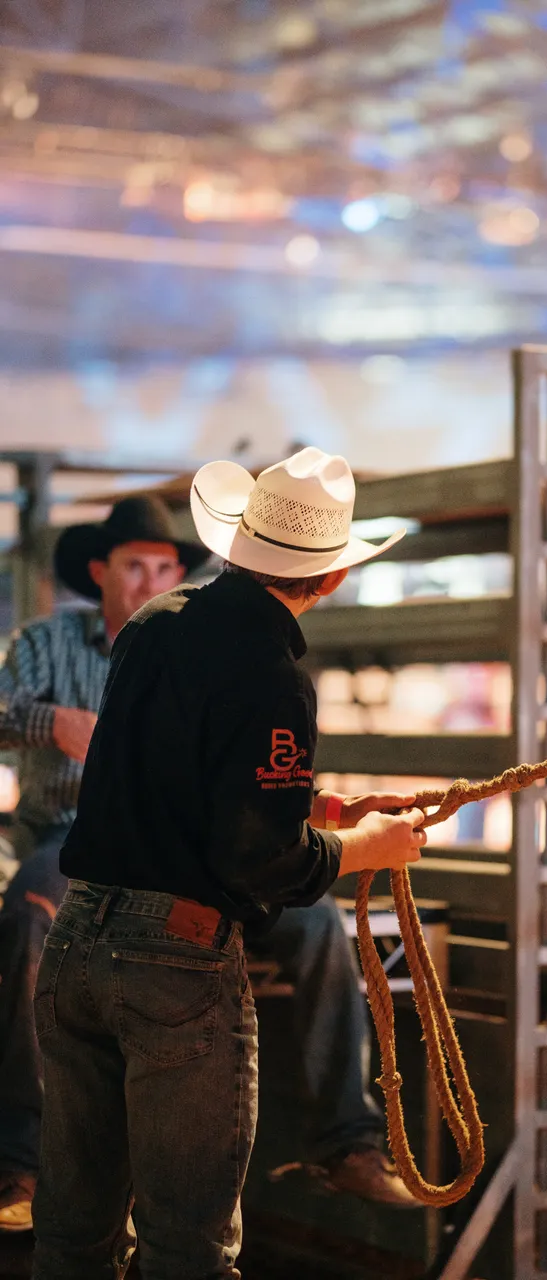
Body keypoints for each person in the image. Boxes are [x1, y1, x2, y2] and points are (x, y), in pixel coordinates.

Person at [31, 447, 427, 1280]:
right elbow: (262, 862)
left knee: (74, 1235)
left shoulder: (154, 623)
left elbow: (162, 779)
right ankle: (344, 1140)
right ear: (330, 578)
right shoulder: (273, 675)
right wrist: (366, 848)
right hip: (173, 962)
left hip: (78, 937)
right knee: (188, 1250)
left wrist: (313, 810)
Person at [0, 495, 205, 1233]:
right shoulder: (45, 642)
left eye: (163, 568)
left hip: (164, 852)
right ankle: (19, 1158)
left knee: (310, 924)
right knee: (28, 923)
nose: (150, 584)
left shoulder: (194, 651)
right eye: (134, 568)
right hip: (69, 839)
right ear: (100, 571)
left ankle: (346, 1141)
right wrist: (49, 721)